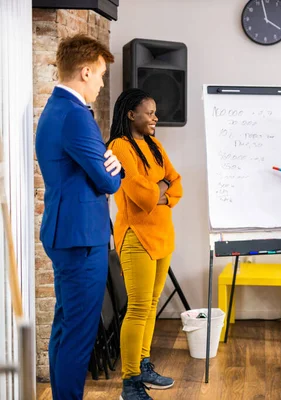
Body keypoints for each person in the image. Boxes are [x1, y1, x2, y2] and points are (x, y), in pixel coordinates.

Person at [36, 34, 122, 399]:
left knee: (65, 327)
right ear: (85, 72)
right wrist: (115, 168)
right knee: (78, 334)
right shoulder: (74, 116)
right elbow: (107, 180)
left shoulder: (56, 109)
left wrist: (106, 164)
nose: (102, 84)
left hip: (66, 233)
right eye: (101, 75)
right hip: (80, 239)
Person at [107, 88, 183, 400]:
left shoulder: (153, 144)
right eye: (149, 112)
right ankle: (130, 383)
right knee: (137, 308)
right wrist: (159, 189)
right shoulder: (119, 147)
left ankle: (143, 363)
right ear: (130, 114)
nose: (155, 117)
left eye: (154, 112)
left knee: (151, 305)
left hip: (163, 235)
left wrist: (160, 190)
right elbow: (142, 196)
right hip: (136, 237)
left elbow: (176, 183)